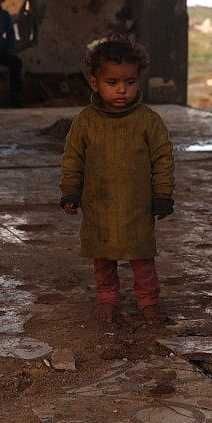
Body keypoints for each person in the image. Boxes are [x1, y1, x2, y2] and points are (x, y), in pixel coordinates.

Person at [59, 34, 175, 325]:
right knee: (103, 258)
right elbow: (73, 159)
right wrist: (70, 191)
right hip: (99, 206)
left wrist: (162, 194)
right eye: (113, 83)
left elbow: (163, 158)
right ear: (94, 83)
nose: (122, 90)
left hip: (137, 207)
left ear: (139, 81)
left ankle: (148, 302)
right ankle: (108, 299)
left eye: (130, 82)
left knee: (142, 259)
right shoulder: (85, 121)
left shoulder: (148, 121)